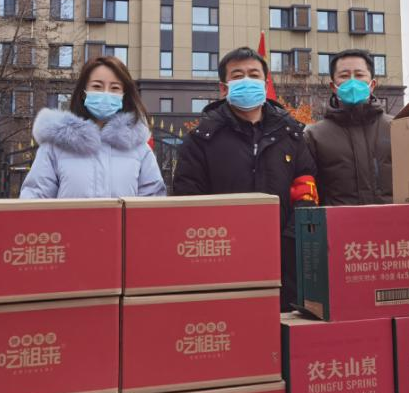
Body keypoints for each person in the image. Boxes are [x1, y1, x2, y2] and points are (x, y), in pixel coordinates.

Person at [172, 47, 318, 310]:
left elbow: (306, 192)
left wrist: (289, 240)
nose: (247, 81)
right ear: (224, 88)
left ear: (265, 83)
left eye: (254, 74)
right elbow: (188, 202)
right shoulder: (200, 140)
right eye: (238, 76)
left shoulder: (292, 136)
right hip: (222, 259)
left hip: (285, 261)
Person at [20, 55, 166, 199]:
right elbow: (35, 198)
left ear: (124, 95)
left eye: (115, 88)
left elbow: (153, 202)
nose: (106, 93)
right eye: (97, 86)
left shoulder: (139, 149)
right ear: (84, 92)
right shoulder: (55, 146)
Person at [305, 49, 393, 205]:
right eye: (344, 76)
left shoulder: (396, 128)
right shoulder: (314, 136)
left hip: (393, 219)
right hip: (338, 220)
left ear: (372, 84)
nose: (352, 82)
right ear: (333, 86)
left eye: (359, 75)